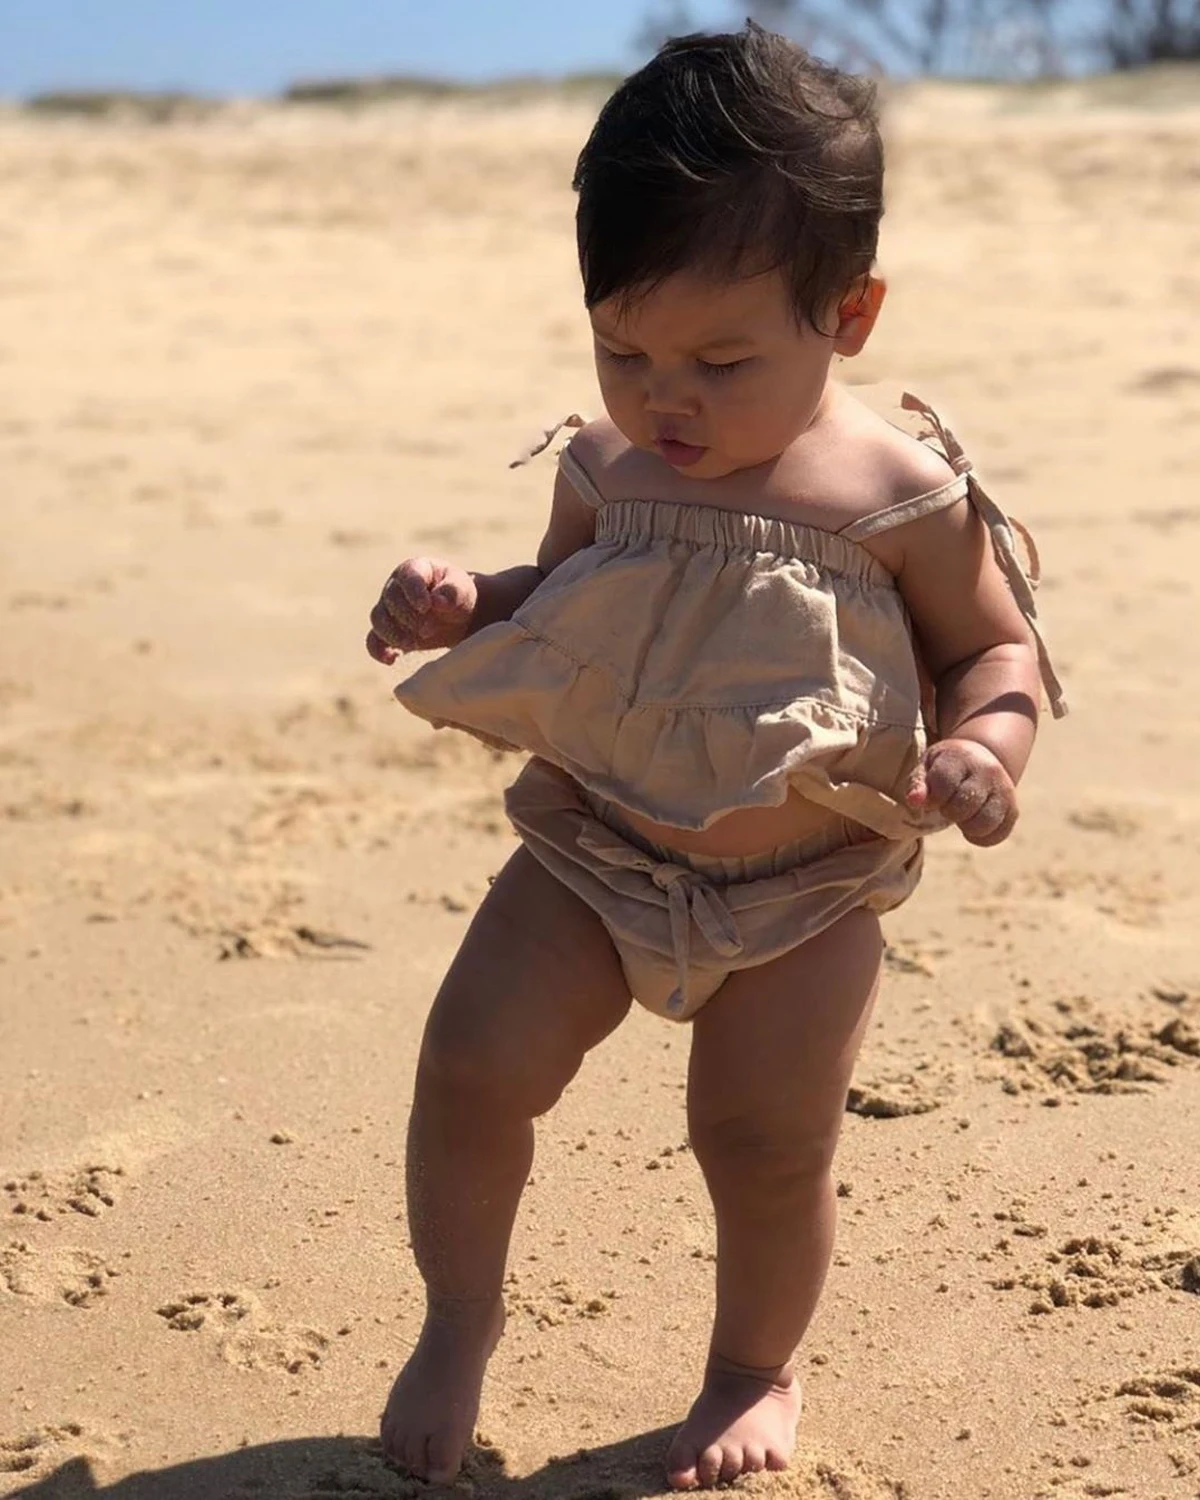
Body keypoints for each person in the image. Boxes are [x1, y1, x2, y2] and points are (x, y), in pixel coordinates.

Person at [365, 23, 1065, 1491]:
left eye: (720, 360)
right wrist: (465, 603)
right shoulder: (607, 464)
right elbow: (561, 593)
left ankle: (753, 1369)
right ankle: (457, 1319)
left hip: (805, 886)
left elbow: (997, 654)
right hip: (594, 840)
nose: (664, 397)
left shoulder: (899, 495)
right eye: (622, 350)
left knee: (759, 1143)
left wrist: (984, 750)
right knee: (470, 1064)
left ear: (849, 315)